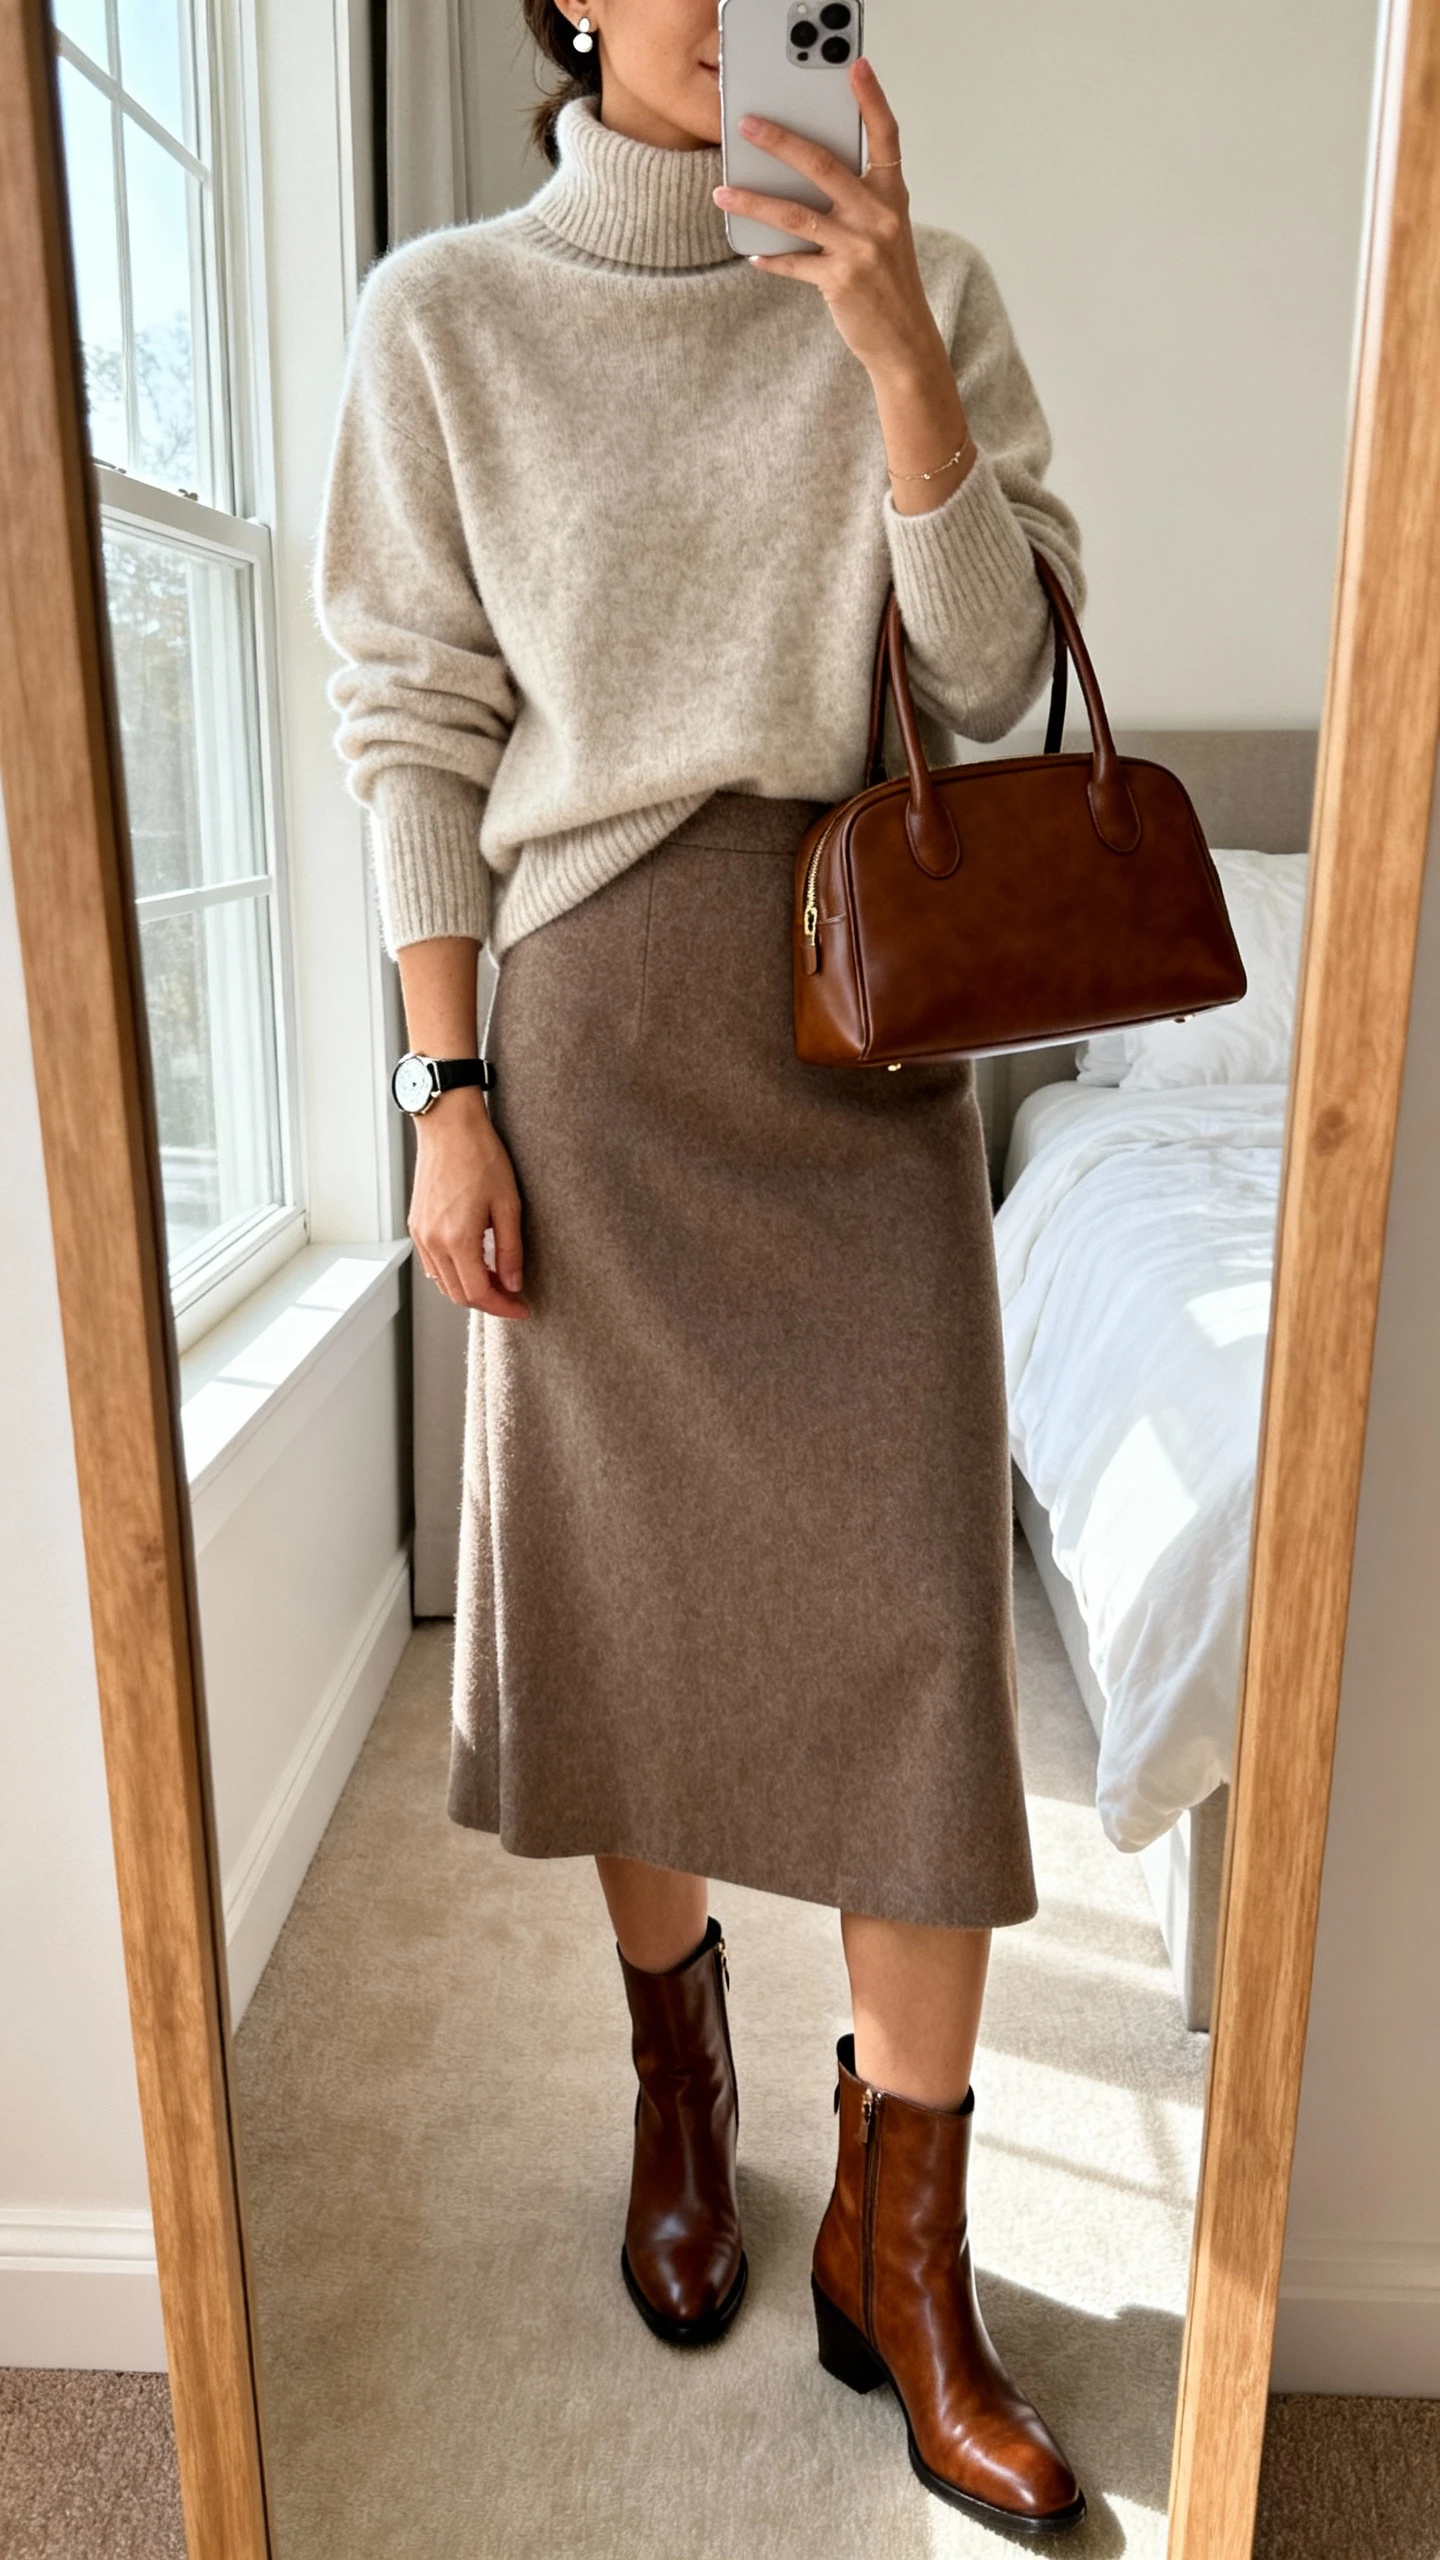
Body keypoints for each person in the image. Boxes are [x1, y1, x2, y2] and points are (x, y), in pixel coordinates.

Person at [317, 0, 1085, 2529]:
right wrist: (444, 1093)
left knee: (913, 1634)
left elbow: (987, 686)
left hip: (861, 1052)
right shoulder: (443, 317)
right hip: (588, 1060)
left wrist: (881, 347)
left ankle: (913, 2237)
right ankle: (688, 2078)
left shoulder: (928, 279)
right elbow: (412, 721)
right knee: (632, 1613)